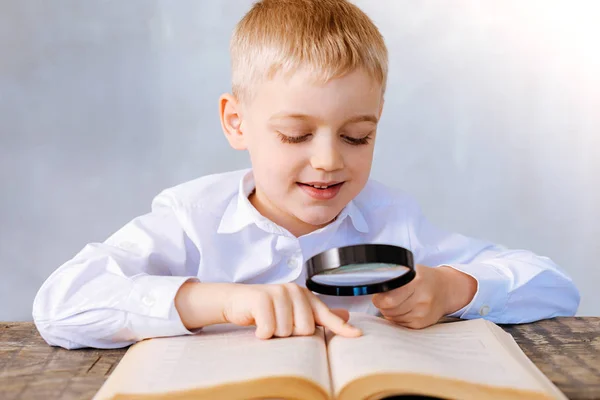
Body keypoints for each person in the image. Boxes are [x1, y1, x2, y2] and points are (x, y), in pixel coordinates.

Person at [32, 0, 579, 349]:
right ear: (236, 121)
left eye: (357, 136)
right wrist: (219, 302)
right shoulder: (190, 218)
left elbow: (554, 287)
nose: (328, 161)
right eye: (295, 135)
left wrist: (452, 288)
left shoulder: (392, 221)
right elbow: (60, 305)